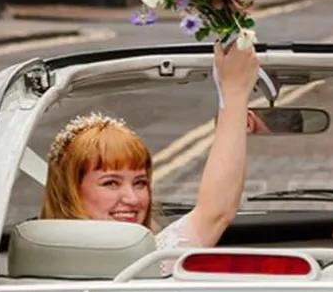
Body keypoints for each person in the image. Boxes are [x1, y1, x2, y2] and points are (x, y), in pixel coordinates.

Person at [40, 42, 260, 262]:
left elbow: (217, 211)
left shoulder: (154, 258)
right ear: (70, 190)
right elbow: (215, 213)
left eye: (140, 183)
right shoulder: (151, 262)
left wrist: (235, 93)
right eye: (111, 183)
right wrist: (233, 91)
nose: (133, 199)